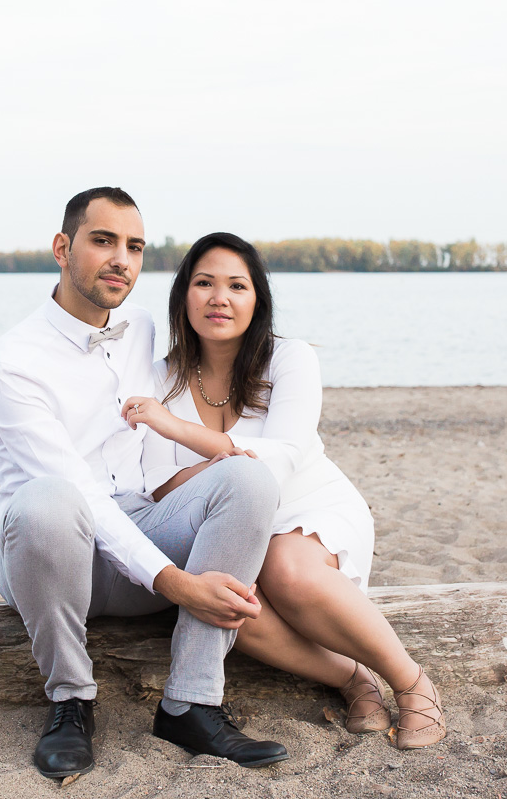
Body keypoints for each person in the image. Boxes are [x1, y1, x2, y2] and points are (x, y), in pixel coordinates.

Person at [0, 189, 291, 780]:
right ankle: (70, 701)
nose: (121, 259)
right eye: (103, 241)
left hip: (139, 528)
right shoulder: (14, 363)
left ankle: (191, 704)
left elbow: (214, 356)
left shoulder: (142, 327)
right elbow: (80, 495)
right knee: (50, 500)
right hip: (52, 555)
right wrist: (178, 584)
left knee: (247, 477)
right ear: (62, 248)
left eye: (134, 246)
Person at [122, 232, 447, 750]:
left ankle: (411, 683)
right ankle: (350, 677)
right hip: (227, 524)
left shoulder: (290, 359)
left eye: (237, 286)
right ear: (183, 295)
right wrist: (224, 473)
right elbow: (161, 486)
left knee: (285, 568)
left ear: (258, 300)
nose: (219, 298)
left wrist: (178, 431)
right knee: (231, 606)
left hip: (309, 503)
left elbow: (283, 457)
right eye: (204, 283)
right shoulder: (161, 378)